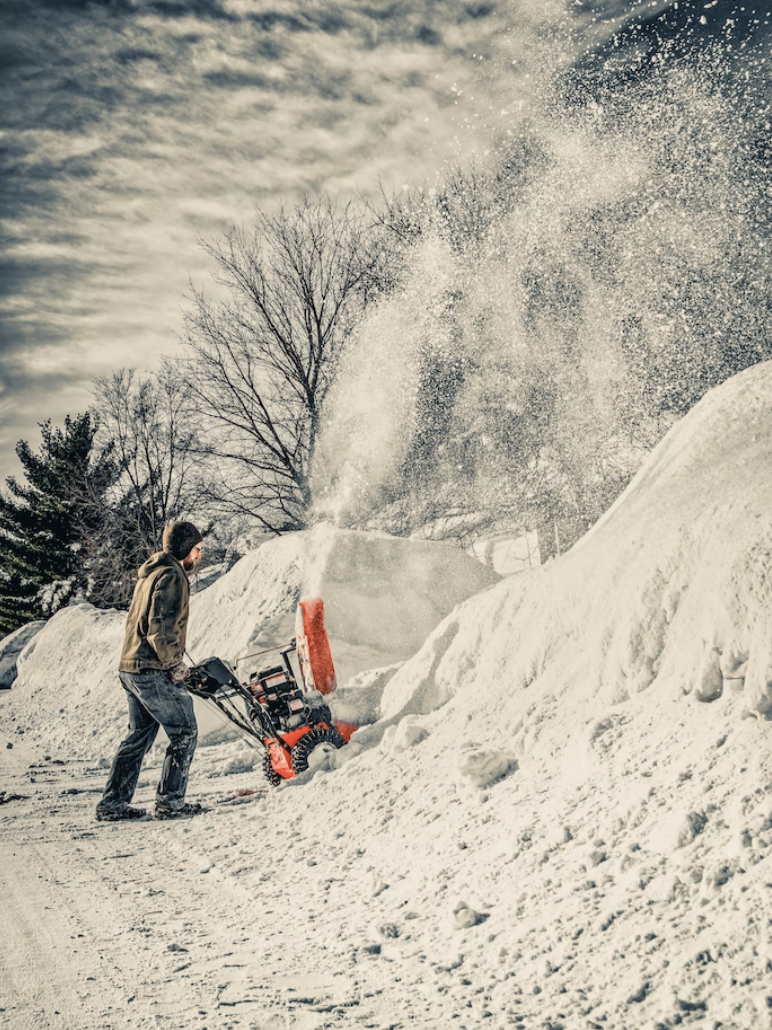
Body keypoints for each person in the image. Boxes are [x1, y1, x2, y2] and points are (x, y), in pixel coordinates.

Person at [96, 521, 205, 821]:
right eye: (196, 550)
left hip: (131, 666)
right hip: (151, 669)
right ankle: (170, 803)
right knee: (184, 731)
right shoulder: (173, 575)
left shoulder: (150, 573)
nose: (198, 556)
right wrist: (174, 665)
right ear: (184, 549)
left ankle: (112, 805)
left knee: (138, 736)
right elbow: (160, 627)